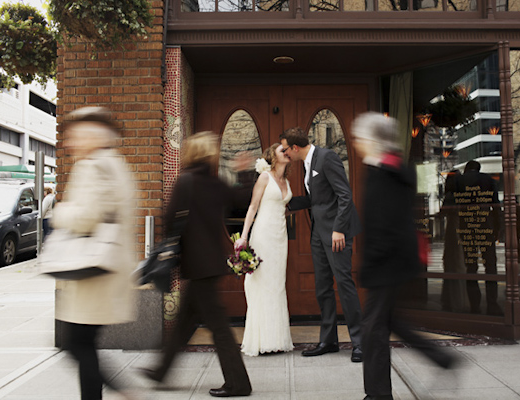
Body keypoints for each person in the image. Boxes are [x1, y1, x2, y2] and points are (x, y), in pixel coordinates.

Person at [352, 112, 456, 400]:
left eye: (360, 137)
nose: (356, 142)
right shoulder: (386, 169)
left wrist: (371, 265)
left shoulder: (385, 173)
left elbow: (384, 224)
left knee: (373, 329)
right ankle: (442, 359)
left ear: (372, 140)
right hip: (394, 261)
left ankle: (378, 396)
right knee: (388, 323)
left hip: (388, 263)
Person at [142, 131, 252, 398]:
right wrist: (244, 173)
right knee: (184, 322)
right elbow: (240, 201)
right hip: (211, 264)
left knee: (219, 329)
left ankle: (239, 384)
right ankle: (160, 370)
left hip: (198, 265)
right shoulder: (215, 183)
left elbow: (170, 221)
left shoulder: (185, 182)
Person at [52, 107, 136, 400]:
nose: (69, 143)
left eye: (74, 137)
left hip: (92, 271)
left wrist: (59, 212)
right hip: (107, 267)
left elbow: (87, 216)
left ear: (92, 136)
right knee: (83, 342)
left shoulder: (91, 166)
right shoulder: (116, 163)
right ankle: (120, 390)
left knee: (76, 343)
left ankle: (122, 390)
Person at [280, 127, 363, 363]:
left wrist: (339, 229)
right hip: (318, 232)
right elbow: (315, 199)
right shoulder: (307, 163)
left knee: (344, 284)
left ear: (295, 148)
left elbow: (345, 195)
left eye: (286, 149)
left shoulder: (327, 158)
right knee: (322, 286)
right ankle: (328, 341)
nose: (285, 153)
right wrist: (285, 205)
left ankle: (359, 343)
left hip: (337, 233)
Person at [234, 143, 294, 356]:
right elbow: (253, 206)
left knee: (277, 284)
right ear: (273, 157)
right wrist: (243, 236)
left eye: (287, 151)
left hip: (280, 236)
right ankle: (260, 340)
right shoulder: (264, 178)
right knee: (262, 284)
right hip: (263, 235)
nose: (286, 153)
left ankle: (276, 339)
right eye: (282, 151)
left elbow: (283, 208)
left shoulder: (285, 180)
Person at [455, 160, 503, 316]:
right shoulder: (488, 180)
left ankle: (475, 305)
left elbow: (453, 204)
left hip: (467, 225)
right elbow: (495, 205)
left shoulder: (460, 181)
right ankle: (492, 304)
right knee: (490, 265)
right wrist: (497, 228)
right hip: (485, 225)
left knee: (471, 266)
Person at [440, 170, 467, 313]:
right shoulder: (463, 195)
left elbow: (442, 212)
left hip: (452, 230)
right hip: (461, 229)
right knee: (459, 264)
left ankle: (452, 301)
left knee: (451, 264)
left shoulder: (450, 196)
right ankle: (460, 300)